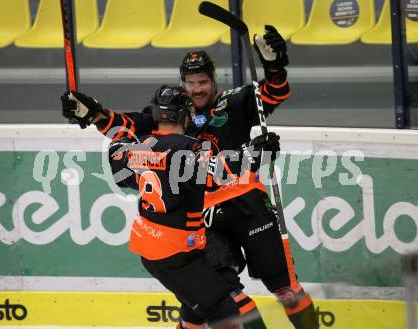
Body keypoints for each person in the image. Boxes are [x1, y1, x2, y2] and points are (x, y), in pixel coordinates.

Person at [61, 25, 318, 329]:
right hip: (203, 216)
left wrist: (275, 66)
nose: (197, 89)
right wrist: (93, 113)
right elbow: (127, 125)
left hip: (247, 205)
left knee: (286, 287)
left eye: (203, 82)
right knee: (214, 299)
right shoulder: (173, 112)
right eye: (191, 83)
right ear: (183, 84)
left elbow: (275, 92)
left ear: (214, 80)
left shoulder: (235, 102)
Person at [107, 85, 280, 329]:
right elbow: (213, 174)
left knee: (195, 310)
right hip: (177, 252)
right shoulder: (186, 147)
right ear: (185, 116)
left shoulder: (139, 147)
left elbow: (116, 158)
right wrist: (252, 155)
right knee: (225, 309)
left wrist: (122, 134)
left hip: (152, 248)